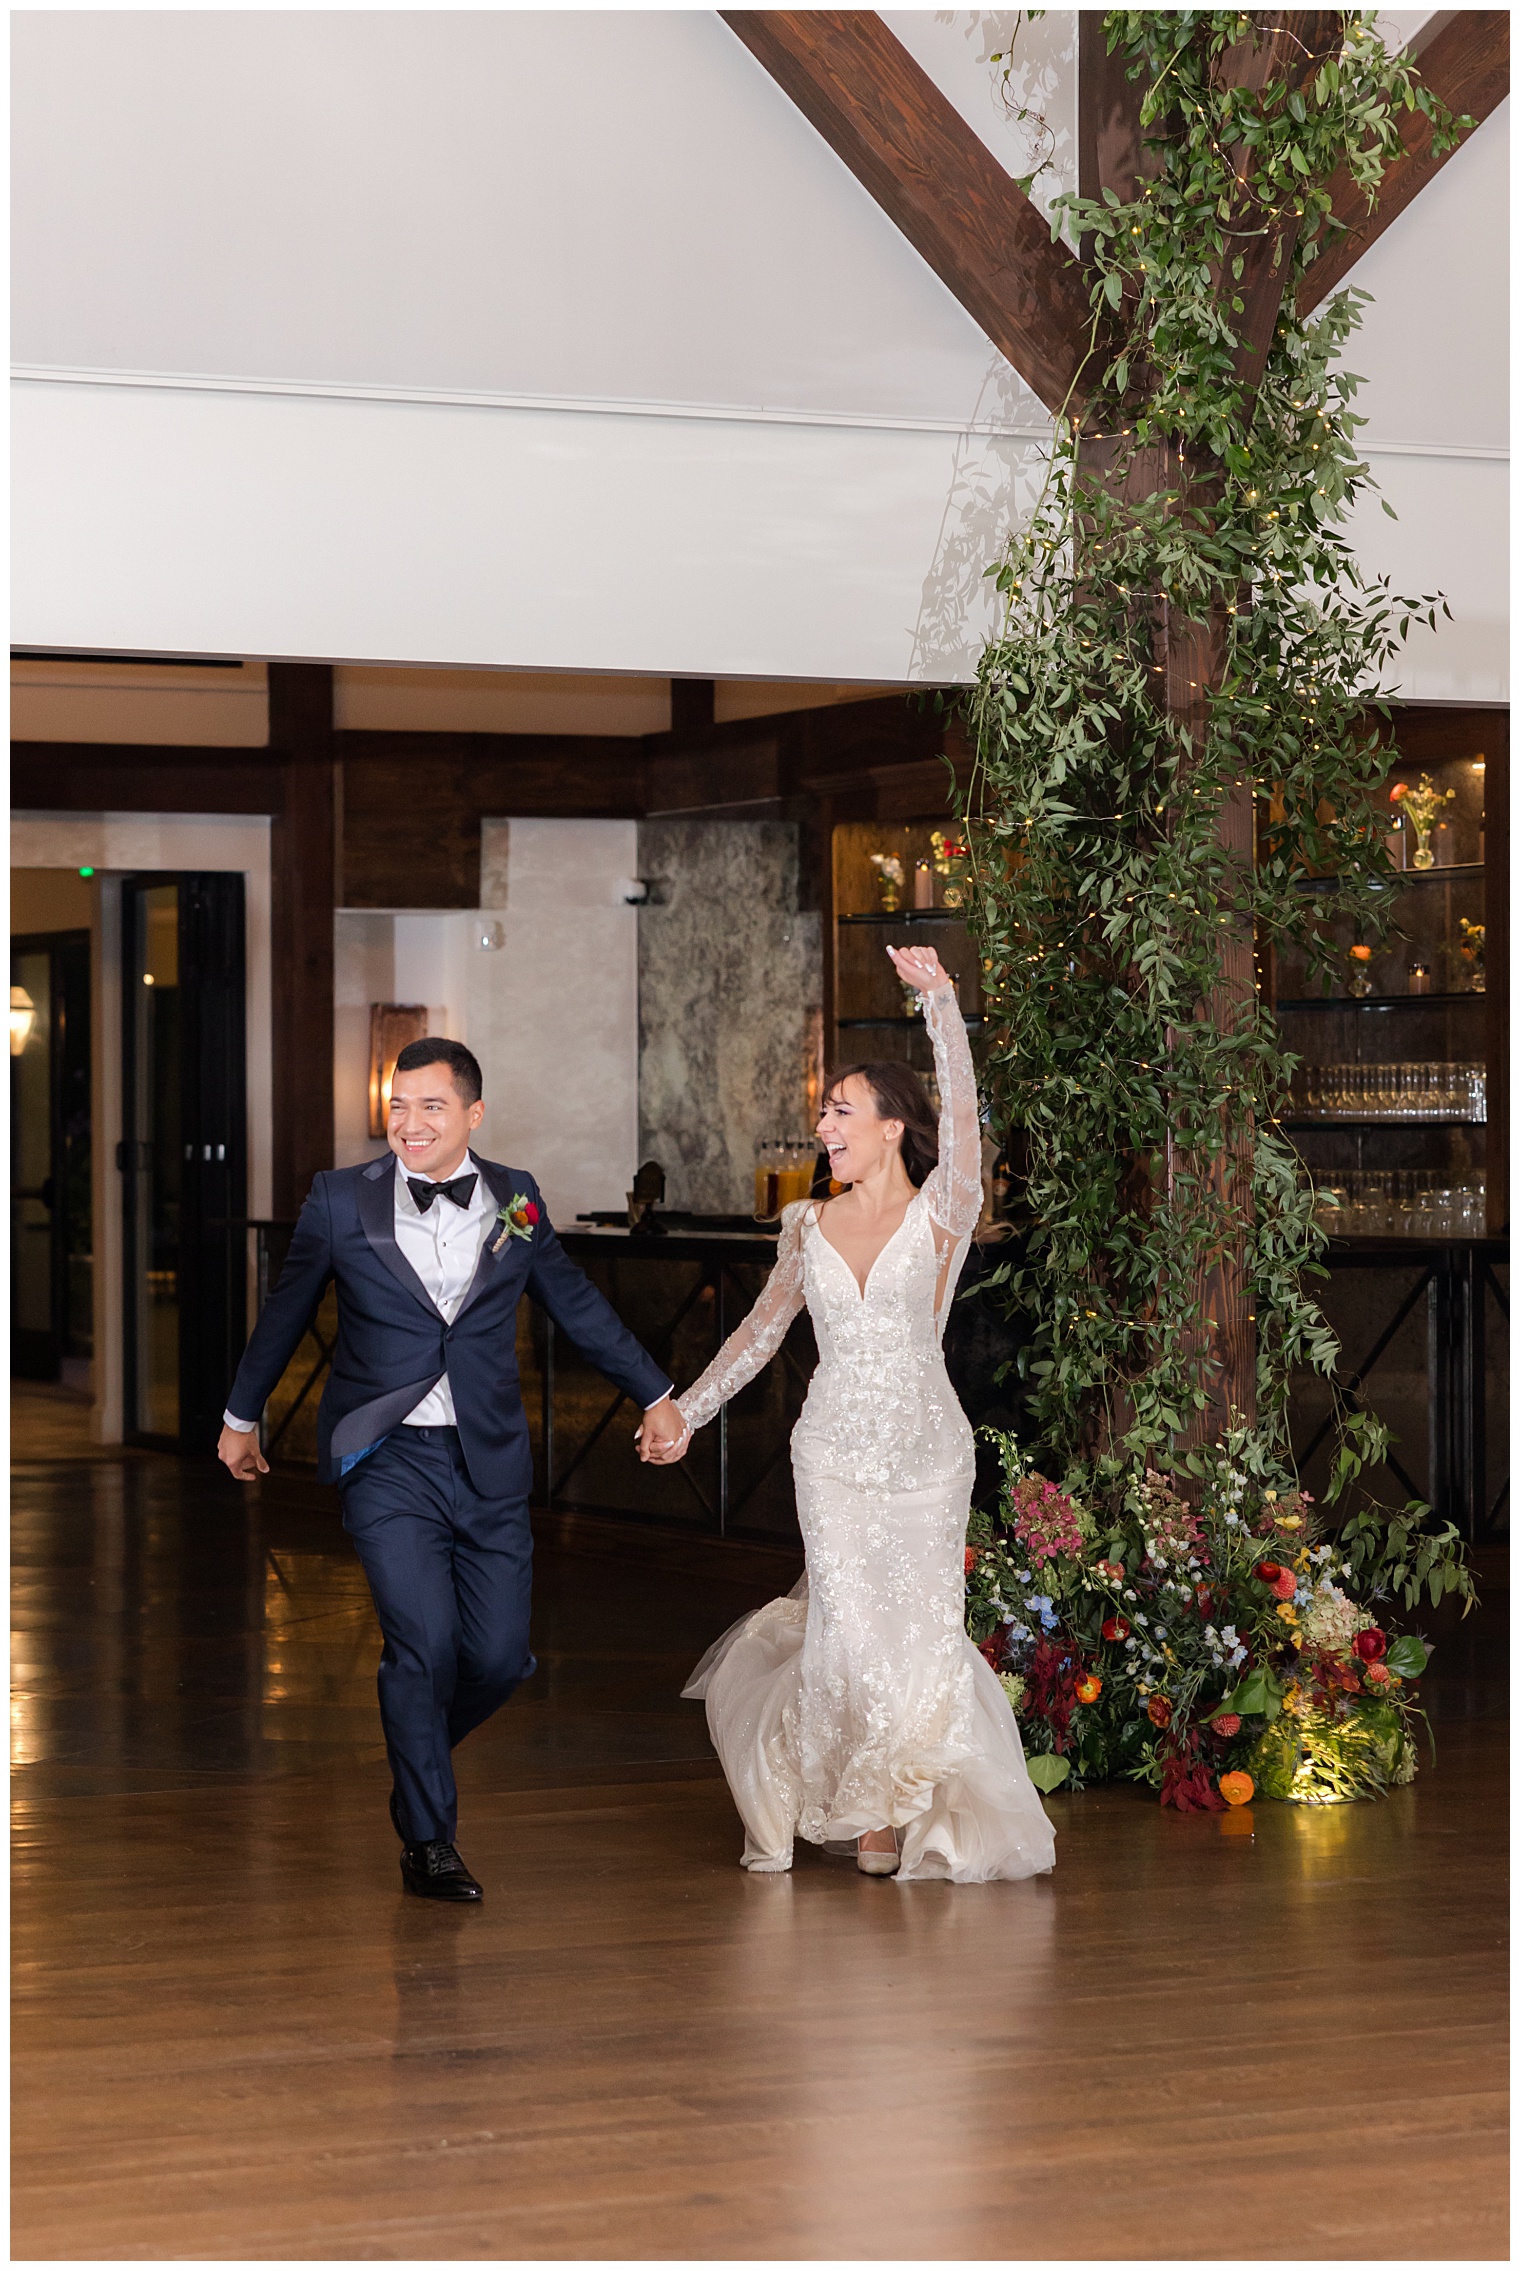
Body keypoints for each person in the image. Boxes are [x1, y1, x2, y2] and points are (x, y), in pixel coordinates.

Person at [218, 1038, 686, 1901]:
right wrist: (240, 1415)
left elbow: (574, 1301)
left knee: (502, 1658)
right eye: (398, 1106)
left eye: (431, 1106)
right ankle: (429, 1840)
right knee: (423, 1645)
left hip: (488, 1458)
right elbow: (286, 1311)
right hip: (385, 1455)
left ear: (473, 1113)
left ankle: (415, 1757)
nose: (409, 1123)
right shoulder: (337, 1199)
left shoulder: (517, 1198)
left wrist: (656, 1392)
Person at [644, 944, 1056, 1883]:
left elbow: (962, 1125)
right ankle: (852, 1807)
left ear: (890, 1127)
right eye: (825, 1109)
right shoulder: (805, 1226)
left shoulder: (944, 1214)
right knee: (846, 1632)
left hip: (926, 1455)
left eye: (841, 1109)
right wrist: (687, 1412)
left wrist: (942, 1005)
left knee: (917, 1634)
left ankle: (893, 1808)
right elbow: (756, 1334)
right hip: (831, 1452)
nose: (824, 1122)